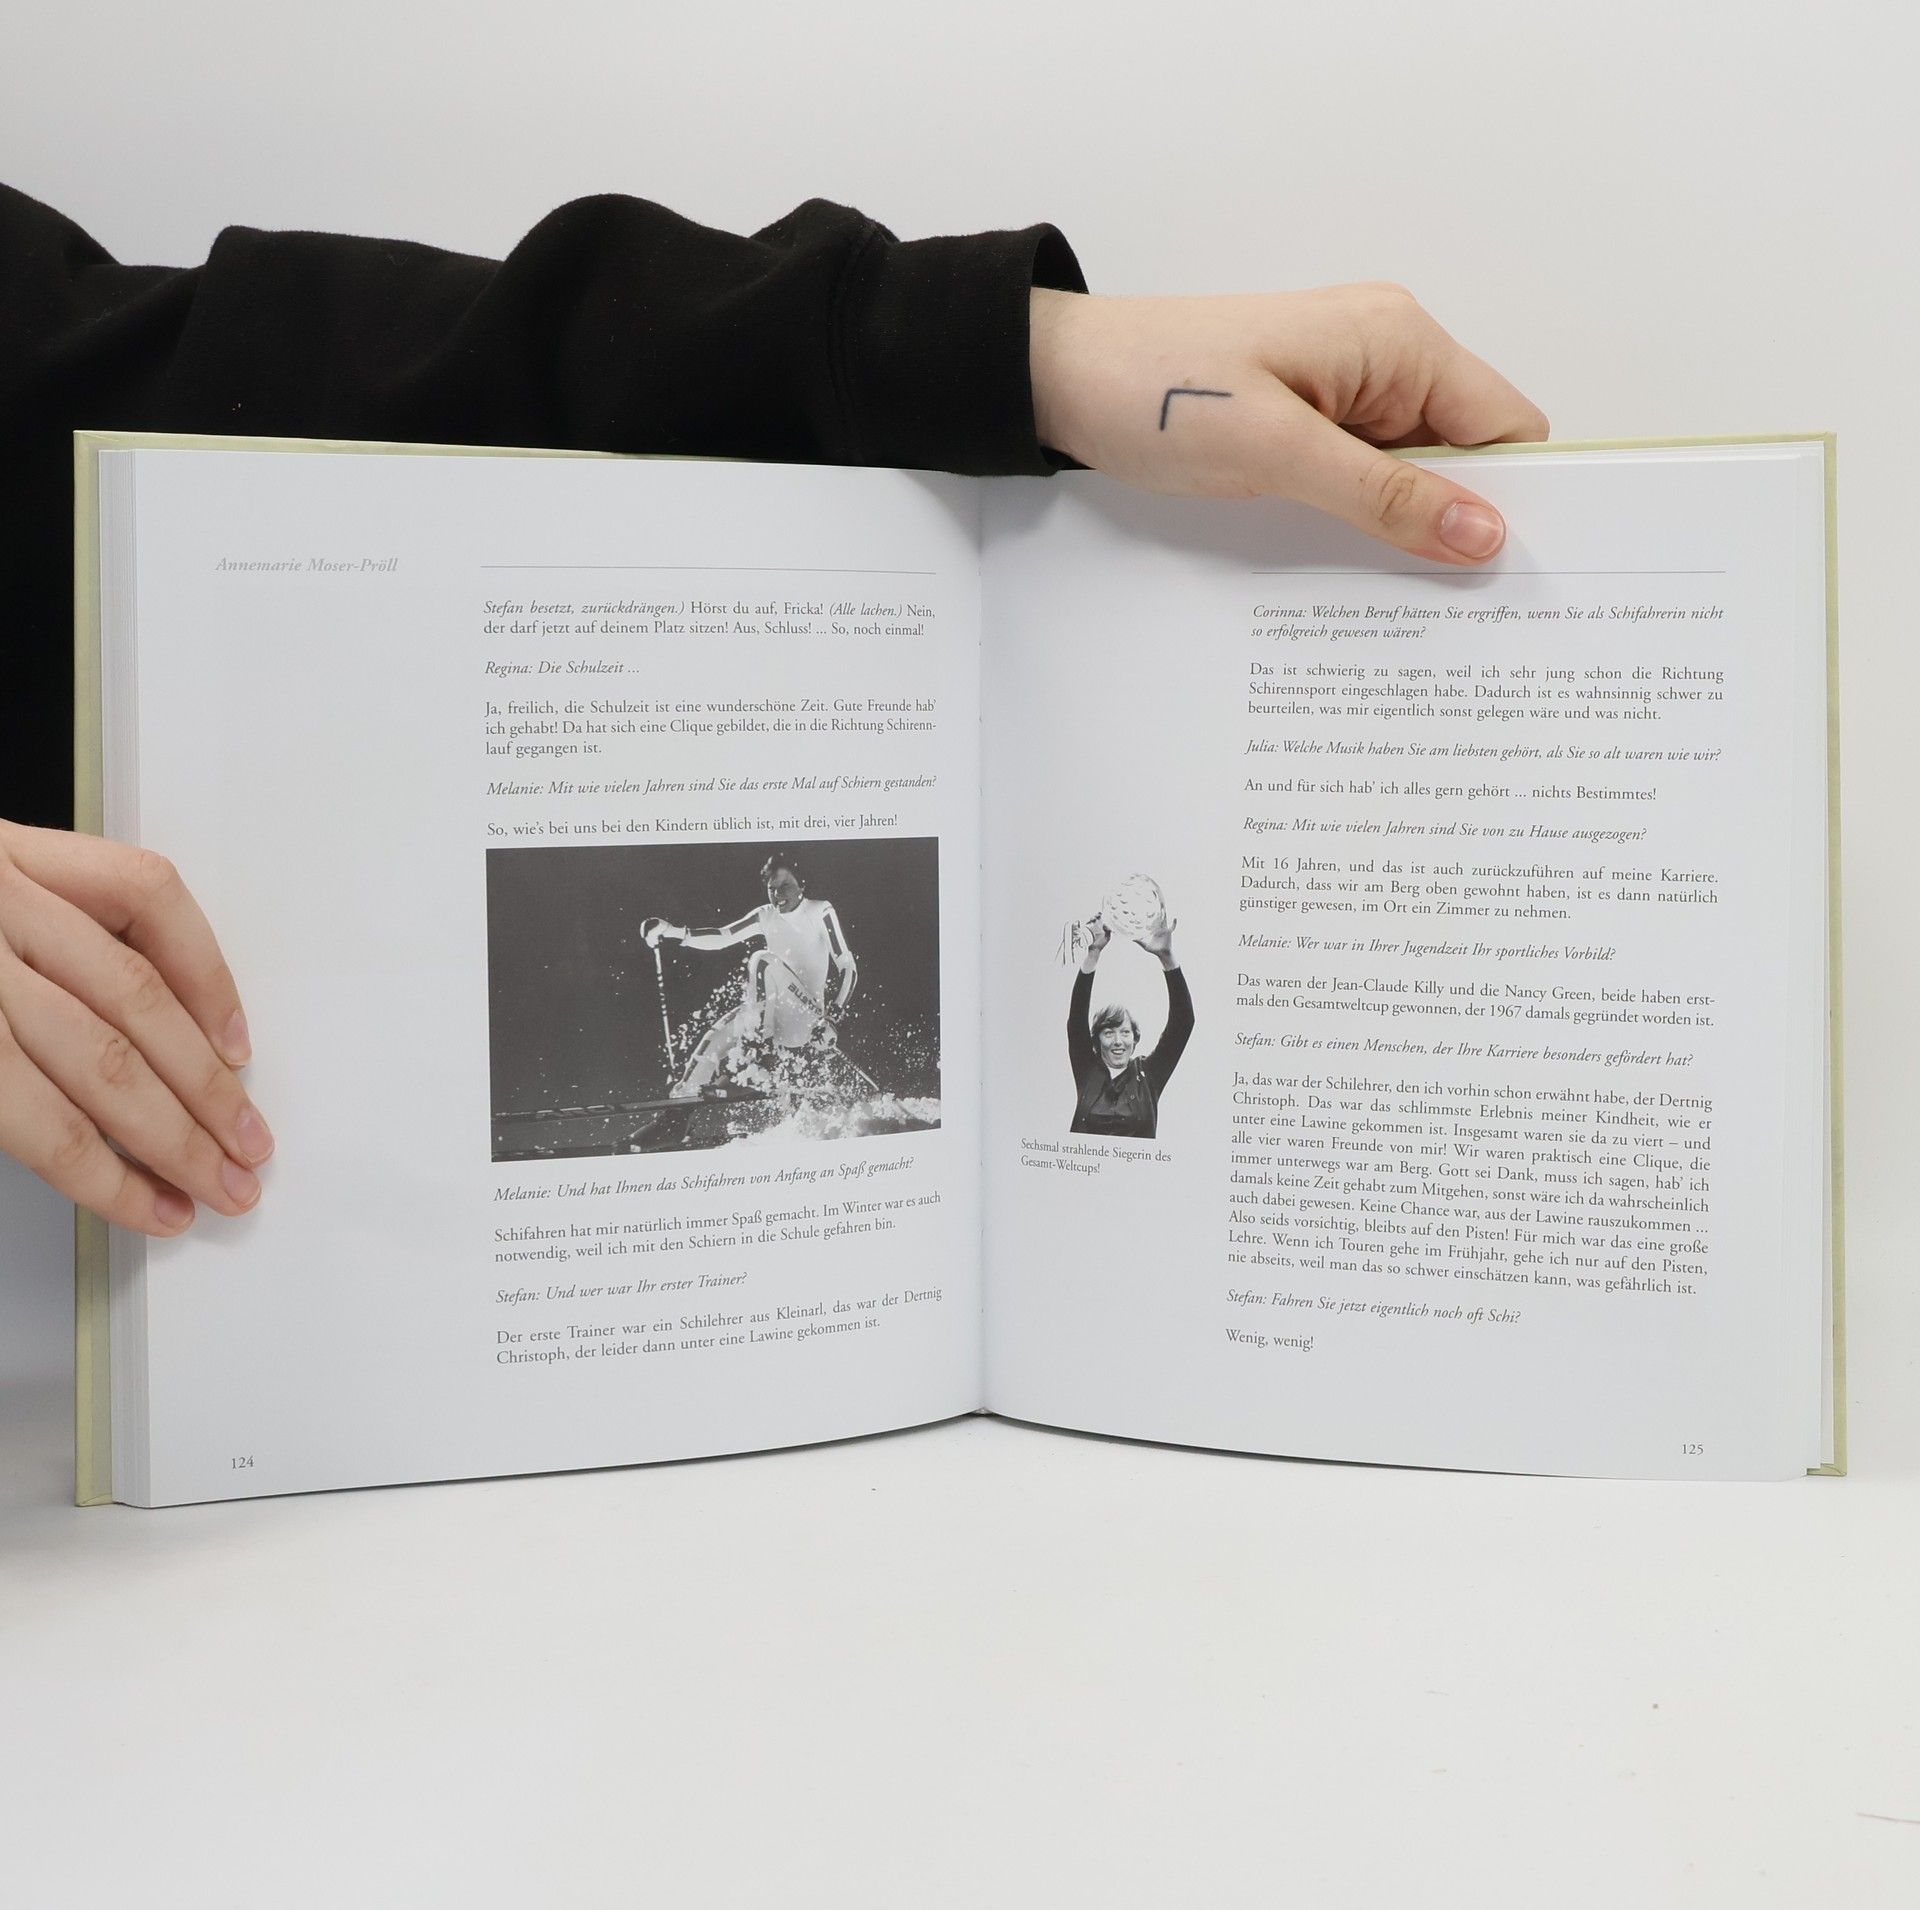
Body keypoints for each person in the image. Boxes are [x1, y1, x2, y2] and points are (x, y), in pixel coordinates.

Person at [0, 183, 1548, 1235]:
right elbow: (728, 937)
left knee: (806, 1062)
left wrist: (1015, 353)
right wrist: (688, 941)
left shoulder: (953, 986)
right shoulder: (954, 998)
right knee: (747, 1049)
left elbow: (181, 388)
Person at [644, 852, 857, 1100]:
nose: (777, 895)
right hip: (772, 1012)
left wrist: (832, 1017)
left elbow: (848, 966)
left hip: (805, 1017)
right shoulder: (765, 914)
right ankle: (680, 1106)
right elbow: (723, 937)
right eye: (771, 889)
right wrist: (671, 931)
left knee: (762, 960)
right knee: (715, 1038)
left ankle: (760, 1068)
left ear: (802, 885)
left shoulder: (820, 911)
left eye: (785, 886)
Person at [1067, 912, 1193, 1139]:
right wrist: (1093, 953)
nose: (1118, 1041)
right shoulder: (1087, 1069)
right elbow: (1076, 1019)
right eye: (1109, 1033)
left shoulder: (1149, 1074)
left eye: (1125, 1032)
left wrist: (1166, 957)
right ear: (1097, 1041)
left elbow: (1183, 1023)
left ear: (1134, 1040)